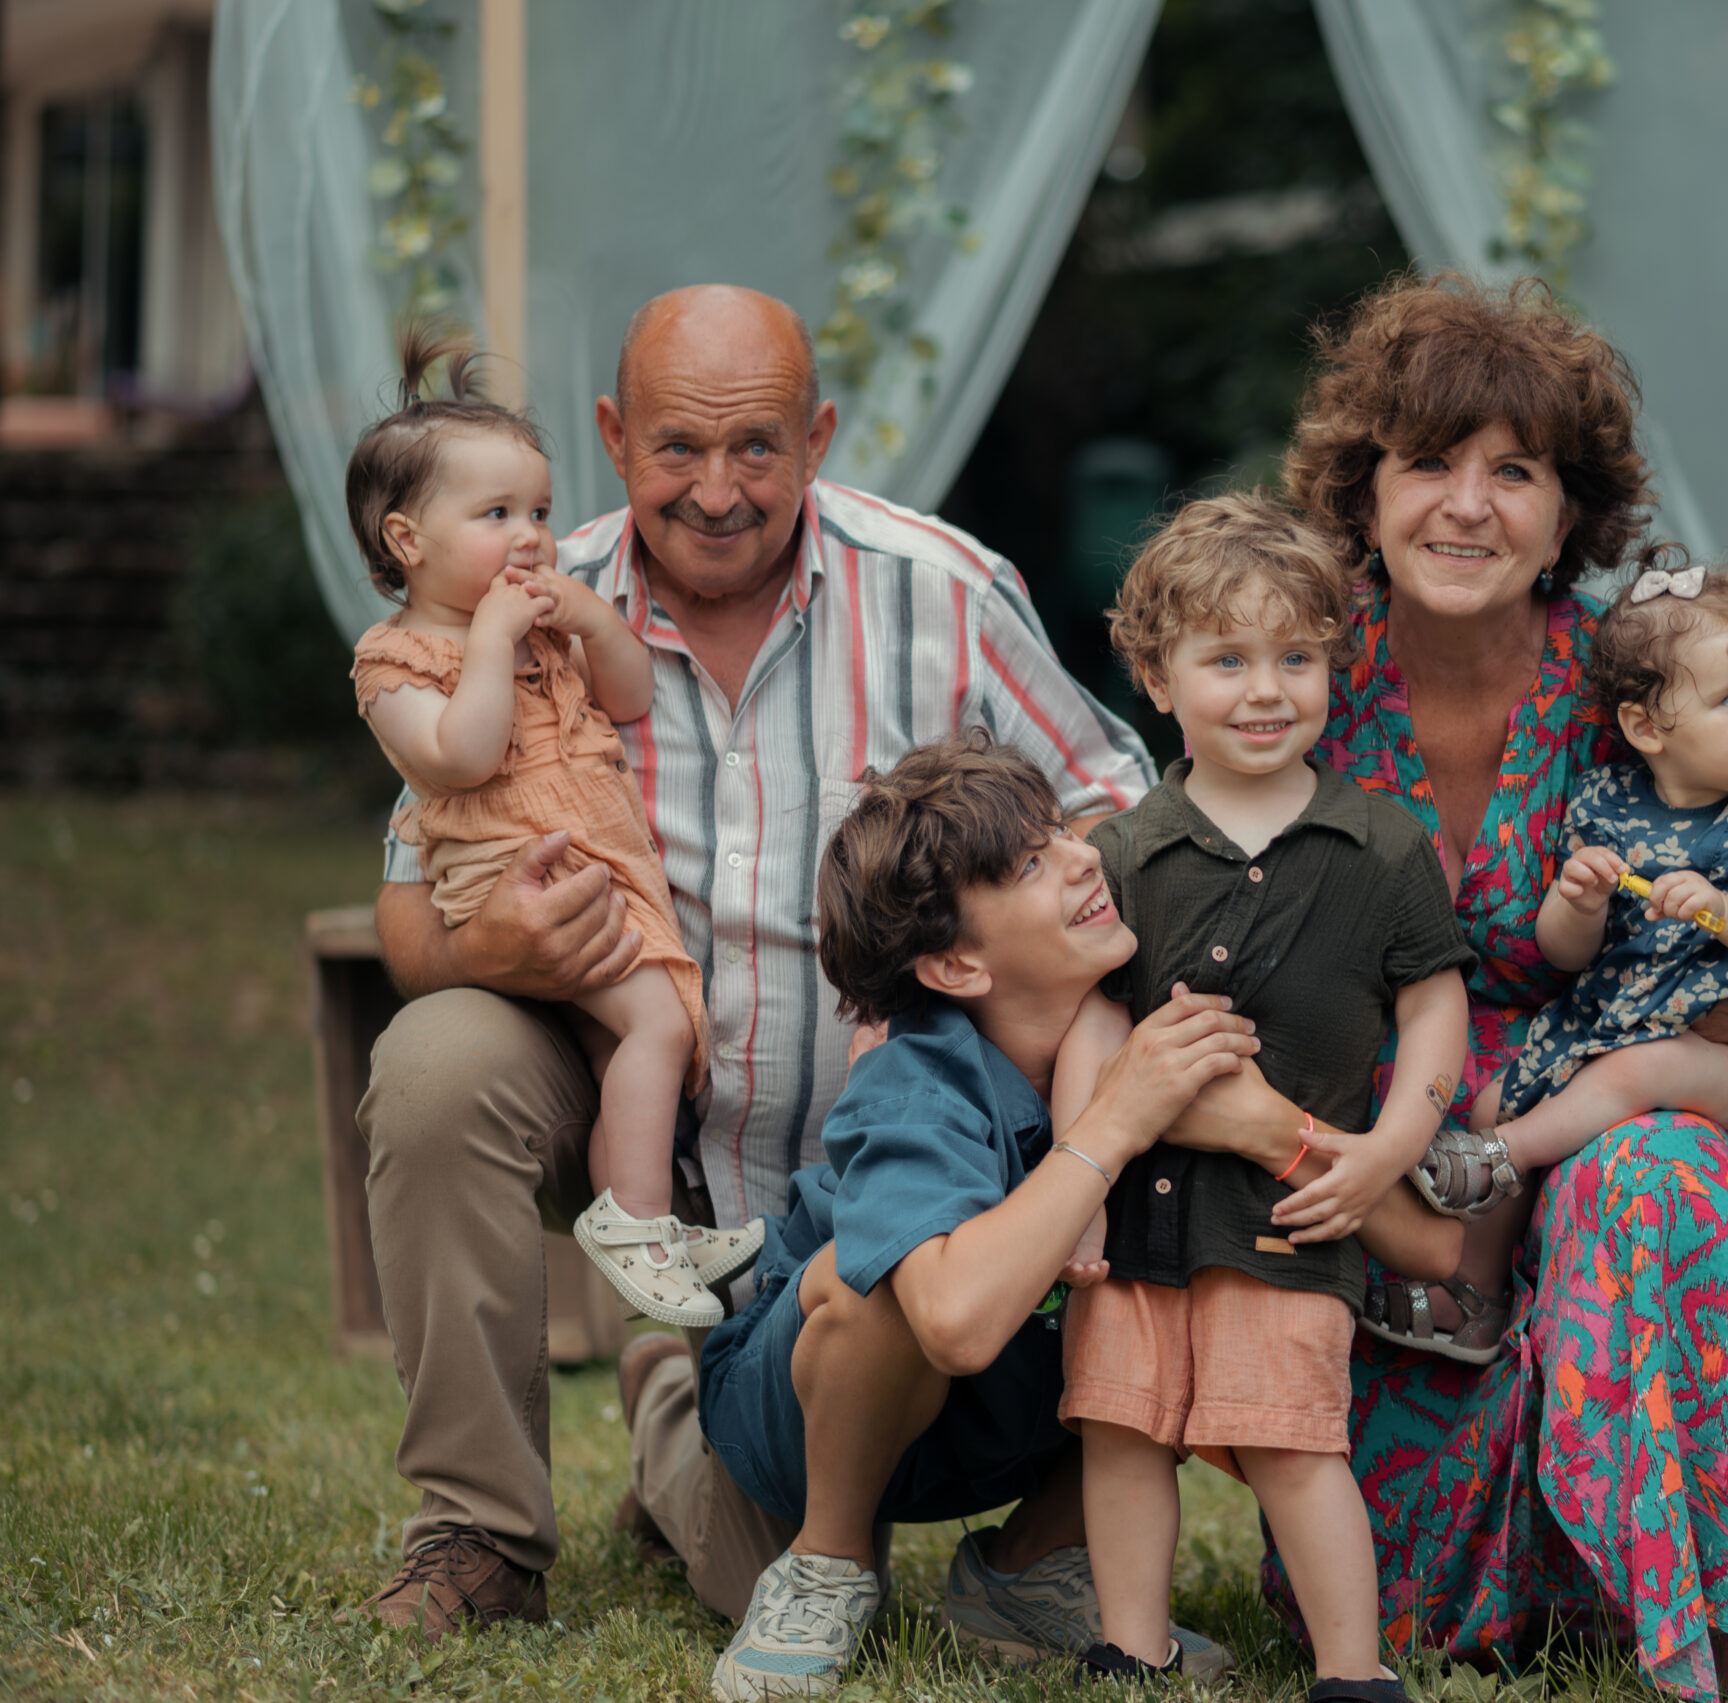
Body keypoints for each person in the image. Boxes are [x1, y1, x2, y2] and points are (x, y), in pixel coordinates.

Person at [351, 285, 1160, 1645]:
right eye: (678, 448)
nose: (718, 490)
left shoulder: (943, 592)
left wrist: (1026, 1015)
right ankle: (483, 1529)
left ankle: (708, 1411)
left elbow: (1119, 818)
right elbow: (404, 902)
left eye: (757, 449)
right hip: (640, 1134)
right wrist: (490, 941)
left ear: (820, 435)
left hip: (909, 1154)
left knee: (754, 1555)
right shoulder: (517, 591)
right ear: (613, 436)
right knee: (437, 1062)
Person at [1170, 275, 1728, 1696]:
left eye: (1514, 471)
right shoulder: (1293, 667)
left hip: (1587, 1107)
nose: (1467, 504)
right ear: (1364, 491)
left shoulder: (1626, 682)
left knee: (1662, 1169)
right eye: (1430, 461)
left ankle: (1726, 1600)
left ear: (1569, 517)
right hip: (1372, 1163)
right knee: (1407, 1616)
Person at [696, 733, 1445, 1699]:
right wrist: (1114, 1124)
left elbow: (1432, 1246)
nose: (1087, 855)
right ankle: (823, 1557)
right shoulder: (914, 1084)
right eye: (1032, 865)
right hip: (804, 1430)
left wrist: (1270, 1132)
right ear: (959, 965)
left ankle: (1023, 1567)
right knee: (872, 1279)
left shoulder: (1154, 1021)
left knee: (1181, 1283)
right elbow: (956, 1323)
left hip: (1009, 1423)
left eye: (1061, 832)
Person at [1051, 494, 1470, 1697]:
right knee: (1124, 1434)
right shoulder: (1127, 850)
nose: (1264, 688)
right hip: (1140, 1220)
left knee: (1295, 1439)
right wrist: (1080, 1186)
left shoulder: (1381, 846)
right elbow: (1096, 1017)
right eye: (1225, 659)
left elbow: (1433, 1003)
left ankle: (1353, 1666)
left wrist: (1393, 1144)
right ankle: (1131, 1646)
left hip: (1290, 1222)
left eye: (1295, 656)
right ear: (1157, 677)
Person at [344, 327, 754, 1330]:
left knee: (627, 1051)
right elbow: (461, 756)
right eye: (496, 514)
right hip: (512, 886)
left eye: (539, 510)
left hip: (598, 869)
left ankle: (639, 1218)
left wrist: (593, 621)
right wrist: (491, 640)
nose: (531, 535)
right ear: (409, 541)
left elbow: (632, 695)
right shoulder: (395, 660)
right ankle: (639, 1217)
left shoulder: (541, 624)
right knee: (656, 1022)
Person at [1428, 553, 1728, 1342]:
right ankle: (1475, 1294)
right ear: (1645, 727)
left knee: (1639, 1072)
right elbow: (1564, 956)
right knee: (1503, 1093)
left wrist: (1724, 911)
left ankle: (1499, 1155)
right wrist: (1578, 901)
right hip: (1608, 1024)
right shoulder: (1606, 802)